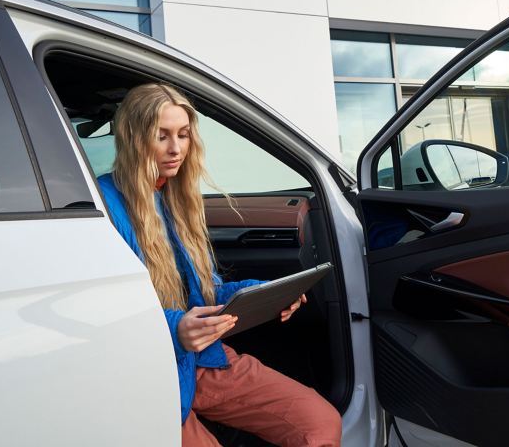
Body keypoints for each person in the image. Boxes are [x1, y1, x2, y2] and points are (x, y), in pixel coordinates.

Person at [97, 83, 342, 446]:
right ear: (133, 137)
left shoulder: (176, 201)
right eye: (161, 136)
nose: (176, 148)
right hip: (147, 374)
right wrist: (175, 328)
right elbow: (101, 310)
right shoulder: (102, 205)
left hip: (203, 360)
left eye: (183, 135)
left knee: (319, 424)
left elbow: (207, 292)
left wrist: (261, 293)